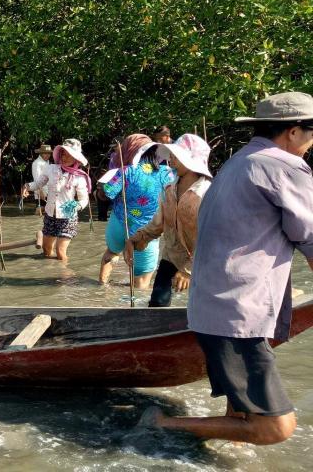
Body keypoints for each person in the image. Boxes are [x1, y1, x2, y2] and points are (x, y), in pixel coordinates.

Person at [146, 92, 313, 445]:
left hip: (215, 308)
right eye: (311, 133)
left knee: (242, 414)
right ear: (293, 132)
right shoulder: (284, 166)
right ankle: (162, 425)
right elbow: (309, 239)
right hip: (238, 315)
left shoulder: (239, 162)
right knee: (274, 428)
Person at [128, 134, 212, 307]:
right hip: (172, 255)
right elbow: (158, 224)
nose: (171, 160)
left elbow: (212, 238)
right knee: (157, 303)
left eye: (176, 157)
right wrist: (138, 237)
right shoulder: (169, 189)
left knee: (205, 308)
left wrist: (188, 270)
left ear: (190, 161)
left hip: (204, 260)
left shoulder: (207, 194)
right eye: (171, 156)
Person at [98, 134, 175, 288]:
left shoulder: (125, 171)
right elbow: (173, 199)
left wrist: (98, 190)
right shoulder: (167, 173)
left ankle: (102, 288)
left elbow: (106, 193)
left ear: (130, 151)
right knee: (141, 283)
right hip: (148, 231)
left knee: (111, 253)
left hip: (120, 224)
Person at [22, 139, 90, 262]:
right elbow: (39, 183)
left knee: (60, 252)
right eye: (63, 154)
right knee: (47, 251)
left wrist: (77, 206)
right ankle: (50, 274)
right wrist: (27, 187)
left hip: (67, 217)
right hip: (50, 215)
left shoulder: (79, 177)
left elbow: (84, 199)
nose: (65, 158)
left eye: (69, 155)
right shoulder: (51, 169)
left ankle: (66, 278)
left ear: (76, 158)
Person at [30, 145, 52, 214]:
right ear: (41, 153)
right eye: (45, 153)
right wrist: (40, 191)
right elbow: (37, 178)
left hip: (49, 190)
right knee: (40, 209)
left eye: (49, 153)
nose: (47, 155)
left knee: (46, 210)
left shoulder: (47, 162)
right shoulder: (37, 163)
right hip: (41, 190)